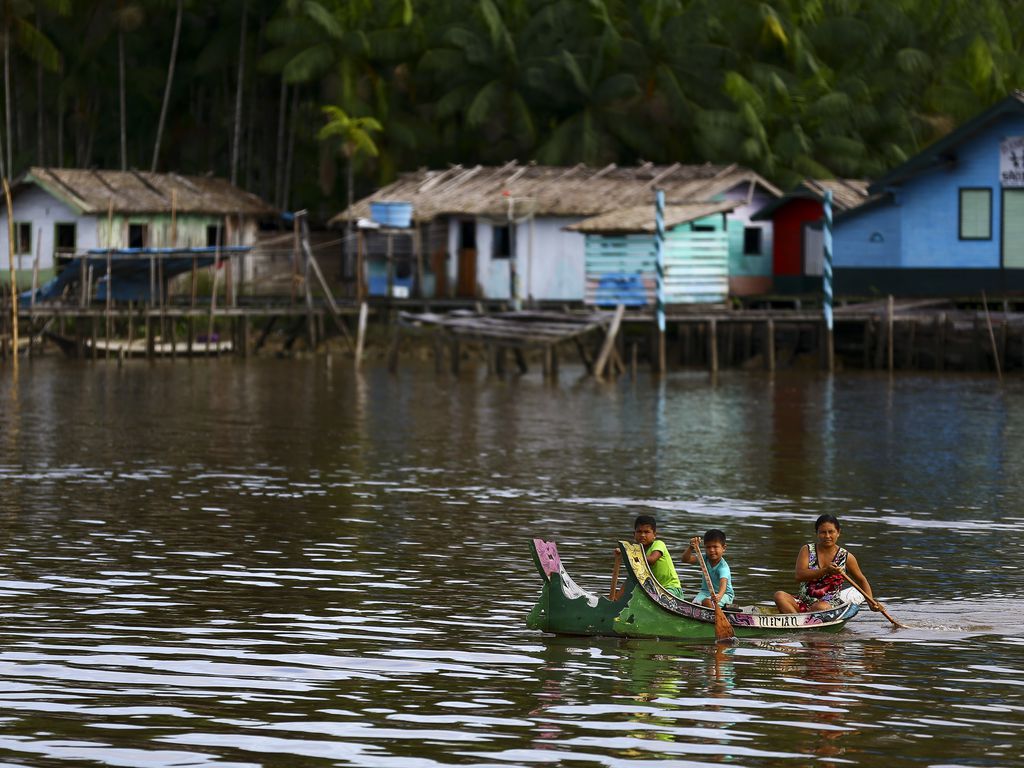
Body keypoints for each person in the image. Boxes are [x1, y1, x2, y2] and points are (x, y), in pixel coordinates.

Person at [773, 514, 876, 614]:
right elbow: (799, 576)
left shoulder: (846, 557)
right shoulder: (807, 550)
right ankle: (797, 619)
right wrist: (825, 570)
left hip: (829, 606)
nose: (827, 536)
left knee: (820, 607)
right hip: (803, 602)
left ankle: (800, 619)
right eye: (823, 532)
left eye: (831, 532)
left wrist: (871, 604)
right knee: (779, 595)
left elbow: (861, 580)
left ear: (838, 532)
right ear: (817, 533)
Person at [633, 515, 684, 598]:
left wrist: (629, 555)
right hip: (654, 591)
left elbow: (652, 560)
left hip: (671, 589)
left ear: (654, 535)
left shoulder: (658, 544)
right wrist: (617, 597)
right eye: (639, 532)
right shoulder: (636, 552)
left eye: (646, 532)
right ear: (634, 534)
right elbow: (631, 577)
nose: (642, 535)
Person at [681, 529, 734, 608]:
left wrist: (719, 596)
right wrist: (691, 547)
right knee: (694, 605)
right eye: (708, 547)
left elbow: (723, 583)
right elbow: (685, 559)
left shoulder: (723, 567)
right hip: (705, 592)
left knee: (707, 602)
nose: (711, 550)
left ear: (724, 548)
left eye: (715, 547)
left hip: (724, 594)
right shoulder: (703, 558)